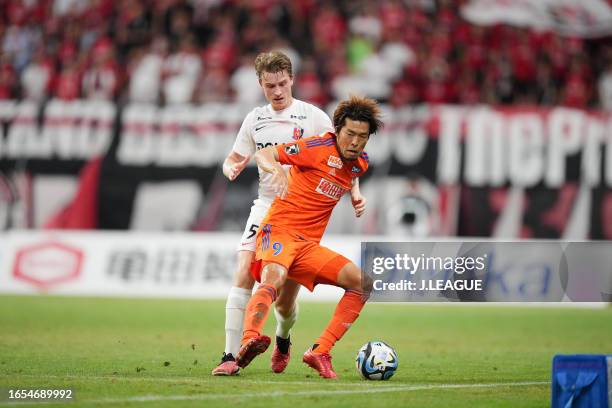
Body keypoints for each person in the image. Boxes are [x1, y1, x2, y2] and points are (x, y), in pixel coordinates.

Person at [213, 51, 367, 376]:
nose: (278, 92)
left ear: (292, 80)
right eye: (271, 86)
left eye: (283, 84)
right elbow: (235, 158)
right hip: (267, 207)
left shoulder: (313, 117)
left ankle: (283, 340)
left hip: (304, 216)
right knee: (244, 271)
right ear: (261, 85)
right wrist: (232, 167)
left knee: (285, 302)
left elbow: (343, 157)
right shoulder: (254, 119)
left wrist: (354, 193)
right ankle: (230, 353)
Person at [235, 95, 382, 379]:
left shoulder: (359, 162)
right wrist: (275, 167)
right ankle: (249, 340)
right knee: (274, 279)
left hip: (307, 246)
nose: (354, 141)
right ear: (336, 129)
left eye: (362, 137)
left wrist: (355, 194)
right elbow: (264, 154)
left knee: (361, 284)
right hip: (278, 229)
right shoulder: (315, 147)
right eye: (349, 134)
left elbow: (350, 172)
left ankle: (319, 350)